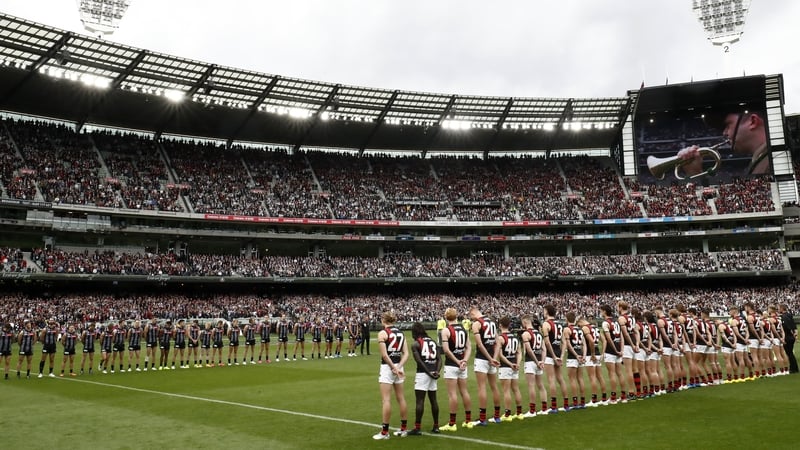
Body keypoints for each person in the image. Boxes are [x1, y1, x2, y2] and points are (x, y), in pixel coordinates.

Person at [678, 106, 769, 175]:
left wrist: (695, 173)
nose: (724, 133)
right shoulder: (761, 160)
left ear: (753, 122)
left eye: (728, 125)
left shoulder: (770, 160)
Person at [372, 311, 409, 440]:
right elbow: (406, 354)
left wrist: (393, 367)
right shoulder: (401, 333)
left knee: (386, 400)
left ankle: (385, 432)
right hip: (399, 366)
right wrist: (398, 367)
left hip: (388, 368)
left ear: (384, 320)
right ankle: (403, 429)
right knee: (401, 398)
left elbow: (384, 355)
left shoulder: (382, 333)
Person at [439, 307, 473, 431]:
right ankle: (468, 420)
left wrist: (458, 361)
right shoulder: (464, 329)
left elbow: (446, 350)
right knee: (464, 391)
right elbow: (469, 347)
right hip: (462, 364)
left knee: (452, 394)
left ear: (446, 317)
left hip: (452, 364)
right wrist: (464, 360)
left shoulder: (446, 330)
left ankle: (452, 423)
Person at [469, 306, 502, 425]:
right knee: (494, 387)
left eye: (470, 315)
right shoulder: (492, 323)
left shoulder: (476, 324)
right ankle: (497, 416)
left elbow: (479, 344)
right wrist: (494, 358)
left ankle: (482, 419)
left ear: (473, 313)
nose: (470, 318)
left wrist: (489, 358)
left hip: (482, 359)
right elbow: (498, 343)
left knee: (482, 387)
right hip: (492, 358)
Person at [408, 322, 441, 435]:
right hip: (433, 372)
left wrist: (429, 373)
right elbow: (439, 359)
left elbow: (419, 362)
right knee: (433, 400)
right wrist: (436, 371)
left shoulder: (416, 344)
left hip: (423, 373)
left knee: (420, 401)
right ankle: (436, 426)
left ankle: (417, 428)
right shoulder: (433, 341)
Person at [495, 316, 524, 420]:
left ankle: (507, 414)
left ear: (500, 325)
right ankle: (519, 413)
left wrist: (510, 364)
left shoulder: (500, 338)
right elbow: (519, 353)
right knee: (516, 389)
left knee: (506, 391)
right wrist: (517, 364)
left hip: (506, 366)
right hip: (514, 366)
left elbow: (500, 355)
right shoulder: (515, 337)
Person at [542, 303, 570, 412]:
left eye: (544, 310)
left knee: (551, 380)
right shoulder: (559, 324)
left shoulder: (546, 324)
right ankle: (566, 404)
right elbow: (564, 342)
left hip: (550, 354)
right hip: (558, 353)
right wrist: (561, 356)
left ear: (547, 312)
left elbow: (547, 343)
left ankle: (554, 406)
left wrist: (553, 356)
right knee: (561, 379)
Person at [521, 315, 547, 416]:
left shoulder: (526, 334)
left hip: (531, 361)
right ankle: (544, 409)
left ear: (525, 322)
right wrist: (542, 361)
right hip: (539, 361)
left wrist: (537, 362)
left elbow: (529, 350)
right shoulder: (539, 334)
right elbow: (544, 349)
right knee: (540, 385)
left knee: (531, 386)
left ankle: (532, 411)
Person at [601, 304, 625, 403]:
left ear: (605, 312)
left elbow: (609, 339)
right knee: (619, 373)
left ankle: (613, 398)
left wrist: (615, 350)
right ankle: (623, 397)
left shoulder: (605, 323)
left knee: (612, 374)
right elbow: (622, 336)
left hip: (611, 351)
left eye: (601, 311)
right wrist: (621, 350)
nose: (600, 312)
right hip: (619, 349)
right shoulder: (617, 321)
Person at [562, 312, 586, 410]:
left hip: (573, 357)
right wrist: (583, 356)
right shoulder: (579, 329)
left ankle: (575, 402)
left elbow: (568, 344)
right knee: (580, 379)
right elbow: (584, 344)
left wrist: (576, 356)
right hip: (580, 354)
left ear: (567, 319)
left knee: (572, 379)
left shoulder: (567, 329)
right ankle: (582, 402)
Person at [779, 304, 798, 373]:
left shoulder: (783, 317)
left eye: (779, 308)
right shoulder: (789, 315)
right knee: (790, 353)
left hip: (787, 336)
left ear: (782, 308)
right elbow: (793, 324)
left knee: (789, 353)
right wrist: (795, 333)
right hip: (791, 337)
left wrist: (791, 332)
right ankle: (794, 368)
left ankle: (793, 368)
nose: (779, 309)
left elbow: (787, 326)